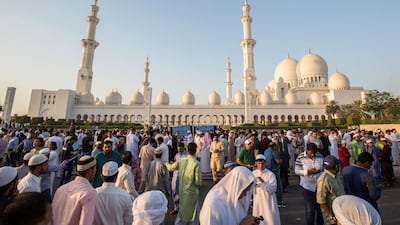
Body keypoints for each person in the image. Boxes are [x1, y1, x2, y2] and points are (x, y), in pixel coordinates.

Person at [52, 155, 98, 225]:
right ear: (90, 171)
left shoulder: (61, 189)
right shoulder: (89, 193)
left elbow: (51, 217)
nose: (95, 171)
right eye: (95, 169)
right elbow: (85, 222)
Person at [165, 142, 201, 225]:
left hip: (183, 191)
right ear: (195, 151)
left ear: (187, 150)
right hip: (192, 193)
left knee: (182, 213)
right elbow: (198, 182)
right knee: (194, 214)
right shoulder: (196, 163)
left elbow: (171, 168)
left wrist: (165, 163)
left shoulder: (181, 161)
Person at [295, 143, 324, 225]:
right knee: (310, 210)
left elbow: (324, 168)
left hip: (319, 186)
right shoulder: (301, 157)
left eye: (314, 153)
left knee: (320, 209)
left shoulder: (320, 156)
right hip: (307, 187)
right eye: (311, 153)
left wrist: (319, 171)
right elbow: (296, 170)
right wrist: (307, 172)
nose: (313, 155)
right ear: (307, 151)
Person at [252, 154, 281, 225]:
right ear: (256, 163)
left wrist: (262, 182)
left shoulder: (270, 174)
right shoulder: (253, 174)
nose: (261, 165)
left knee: (269, 218)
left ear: (265, 163)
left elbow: (273, 189)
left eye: (262, 163)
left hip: (268, 201)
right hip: (258, 201)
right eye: (259, 164)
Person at [316, 156, 345, 225]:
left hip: (341, 213)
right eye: (338, 164)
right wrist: (332, 215)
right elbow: (321, 201)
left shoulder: (336, 176)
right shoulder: (324, 180)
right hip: (332, 218)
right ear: (336, 167)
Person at [167, 142, 188, 216]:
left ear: (183, 148)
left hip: (183, 175)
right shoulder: (176, 155)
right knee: (175, 191)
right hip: (176, 175)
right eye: (178, 148)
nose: (179, 150)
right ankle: (176, 207)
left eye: (180, 148)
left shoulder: (186, 156)